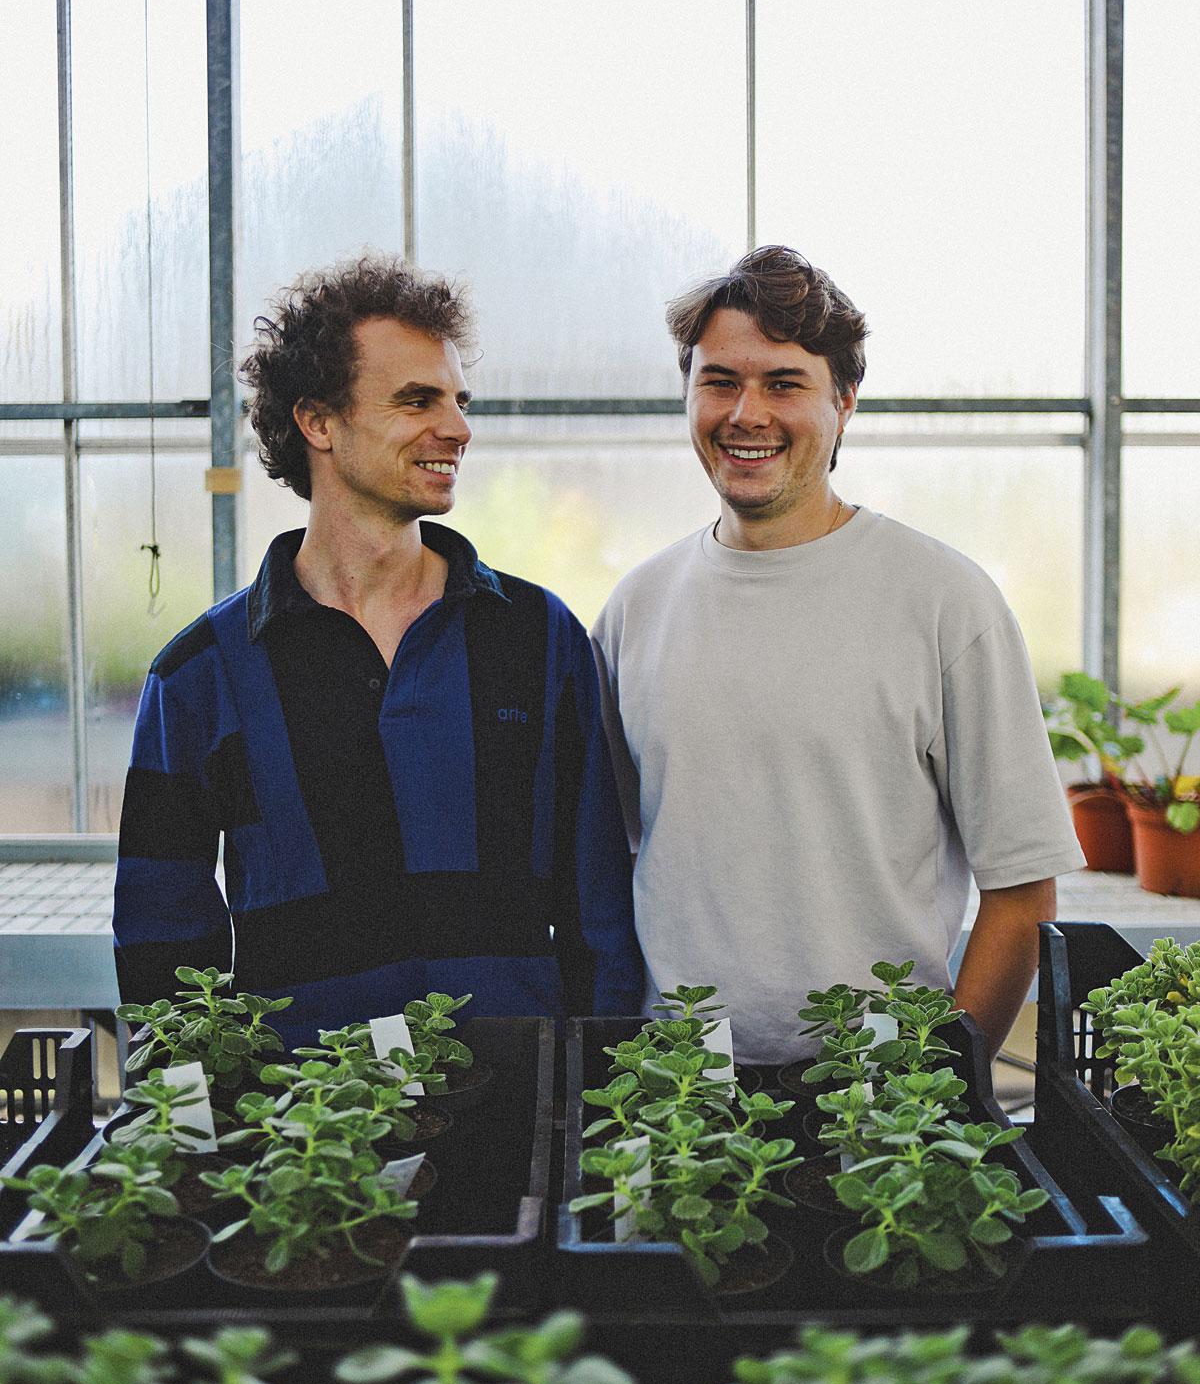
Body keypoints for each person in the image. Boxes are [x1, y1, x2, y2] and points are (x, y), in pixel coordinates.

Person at [113, 254, 641, 1046]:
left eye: (460, 401)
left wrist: (602, 1112)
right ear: (318, 421)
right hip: (312, 1141)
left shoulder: (539, 638)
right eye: (417, 401)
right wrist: (191, 1148)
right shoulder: (201, 675)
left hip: (517, 1120)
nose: (458, 428)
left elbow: (598, 908)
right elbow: (162, 947)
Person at [590, 245, 1083, 1064]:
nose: (747, 414)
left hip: (876, 1087)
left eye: (784, 383)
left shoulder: (943, 602)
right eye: (719, 381)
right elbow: (612, 858)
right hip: (679, 1087)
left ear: (845, 401)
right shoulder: (637, 608)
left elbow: (1024, 889)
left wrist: (938, 1088)